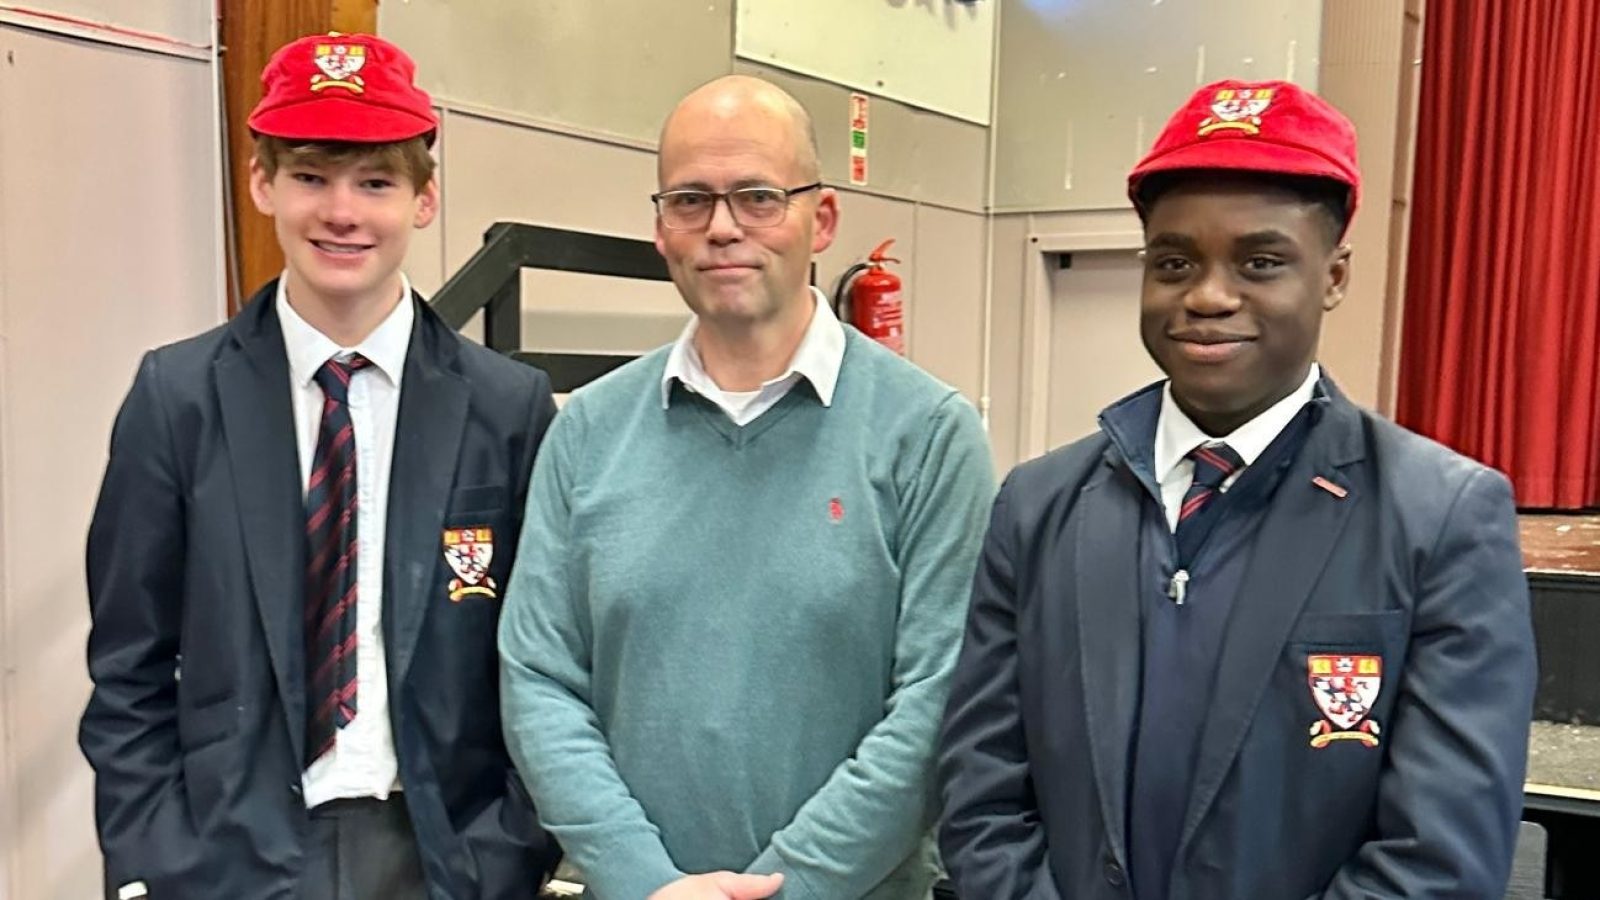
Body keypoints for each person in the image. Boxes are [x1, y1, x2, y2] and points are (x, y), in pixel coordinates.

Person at [937, 79, 1537, 900]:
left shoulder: (1439, 517)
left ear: (1333, 276)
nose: (1209, 297)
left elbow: (1444, 853)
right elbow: (982, 798)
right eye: (1174, 262)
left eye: (1260, 262)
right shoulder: (1039, 506)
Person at [79, 32, 560, 900]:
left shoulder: (507, 407)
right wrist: (156, 858)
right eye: (310, 177)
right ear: (262, 183)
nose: (342, 212)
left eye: (375, 181)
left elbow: (549, 656)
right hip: (232, 857)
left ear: (424, 198)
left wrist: (508, 852)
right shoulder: (177, 397)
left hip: (443, 856)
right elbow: (129, 664)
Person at [498, 75, 995, 900]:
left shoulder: (929, 435)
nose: (722, 228)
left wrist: (785, 887)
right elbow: (539, 678)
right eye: (691, 199)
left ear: (822, 219)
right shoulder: (586, 431)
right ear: (660, 228)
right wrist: (643, 882)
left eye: (758, 196)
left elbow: (938, 703)